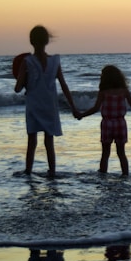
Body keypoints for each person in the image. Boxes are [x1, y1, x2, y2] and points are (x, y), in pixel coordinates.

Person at [14, 25, 79, 177]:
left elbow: (18, 88)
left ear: (31, 41)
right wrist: (73, 107)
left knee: (32, 141)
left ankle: (28, 170)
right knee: (49, 142)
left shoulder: (27, 61)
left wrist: (19, 77)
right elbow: (64, 85)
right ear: (47, 41)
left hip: (34, 106)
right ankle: (52, 171)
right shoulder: (55, 61)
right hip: (50, 105)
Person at [78, 65, 131, 176]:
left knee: (105, 153)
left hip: (107, 123)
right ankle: (125, 175)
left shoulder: (103, 92)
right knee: (121, 153)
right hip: (120, 123)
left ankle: (103, 174)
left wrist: (82, 115)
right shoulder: (123, 91)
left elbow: (95, 108)